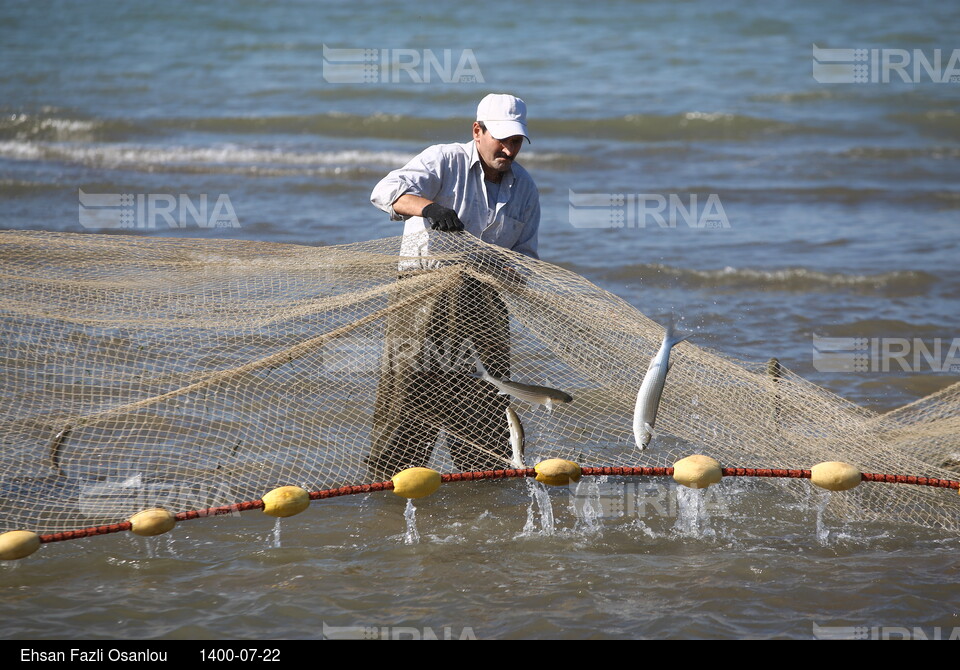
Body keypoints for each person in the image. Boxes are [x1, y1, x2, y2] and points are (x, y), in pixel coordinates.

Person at [366, 94, 541, 480]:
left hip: (486, 306)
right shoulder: (443, 159)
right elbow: (384, 190)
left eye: (516, 142)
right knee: (409, 397)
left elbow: (524, 258)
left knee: (484, 404)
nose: (509, 150)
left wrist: (514, 277)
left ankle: (479, 489)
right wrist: (428, 208)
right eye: (502, 140)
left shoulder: (525, 188)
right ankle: (389, 491)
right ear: (477, 131)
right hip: (424, 297)